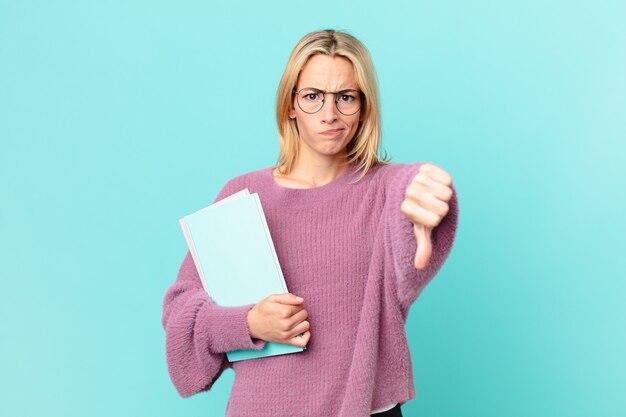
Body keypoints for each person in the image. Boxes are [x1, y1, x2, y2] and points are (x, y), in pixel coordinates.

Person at [162, 29, 459, 417]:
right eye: (313, 96)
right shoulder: (243, 194)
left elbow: (409, 186)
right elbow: (181, 313)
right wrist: (248, 322)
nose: (329, 114)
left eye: (346, 98)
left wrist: (424, 193)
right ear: (290, 104)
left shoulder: (386, 189)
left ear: (365, 107)